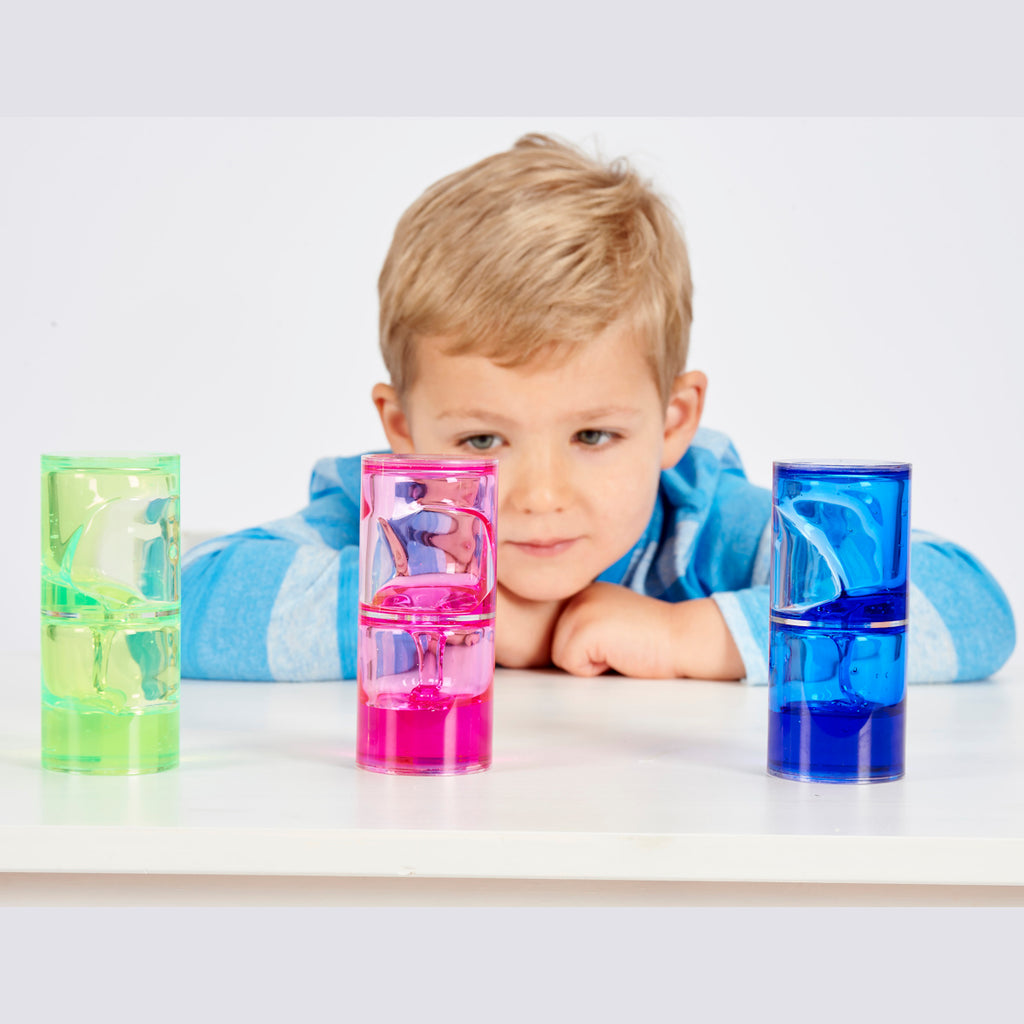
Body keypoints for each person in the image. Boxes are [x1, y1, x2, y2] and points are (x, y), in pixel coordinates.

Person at [181, 133, 1016, 684]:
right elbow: (183, 606)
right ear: (402, 434)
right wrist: (446, 612)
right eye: (482, 438)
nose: (539, 495)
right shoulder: (389, 521)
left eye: (592, 435)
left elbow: (966, 604)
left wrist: (699, 638)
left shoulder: (704, 522)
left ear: (674, 421)